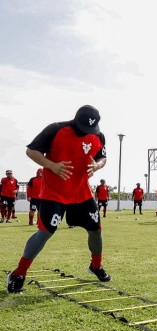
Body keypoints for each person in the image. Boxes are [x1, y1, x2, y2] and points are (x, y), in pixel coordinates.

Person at [7, 105, 110, 294]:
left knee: (96, 230)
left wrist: (97, 165)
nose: (85, 132)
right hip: (54, 193)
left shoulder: (99, 136)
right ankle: (18, 273)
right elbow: (31, 151)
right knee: (45, 232)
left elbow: (103, 157)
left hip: (82, 193)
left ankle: (96, 266)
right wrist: (51, 165)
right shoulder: (55, 129)